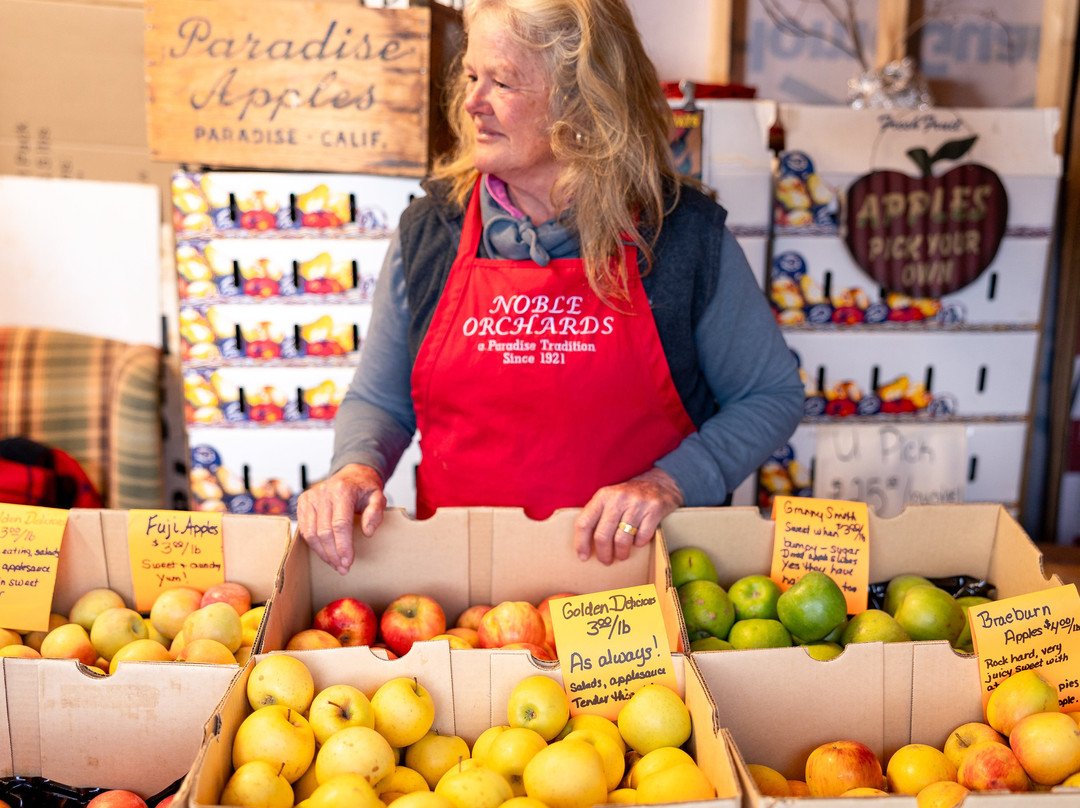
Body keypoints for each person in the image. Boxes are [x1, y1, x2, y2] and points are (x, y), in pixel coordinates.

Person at [297, 0, 804, 574]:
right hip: (465, 591)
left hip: (633, 589)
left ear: (583, 99)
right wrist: (356, 467)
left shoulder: (682, 236)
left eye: (502, 82)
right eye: (471, 76)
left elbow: (770, 396)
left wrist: (670, 482)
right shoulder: (431, 231)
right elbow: (381, 400)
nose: (472, 102)